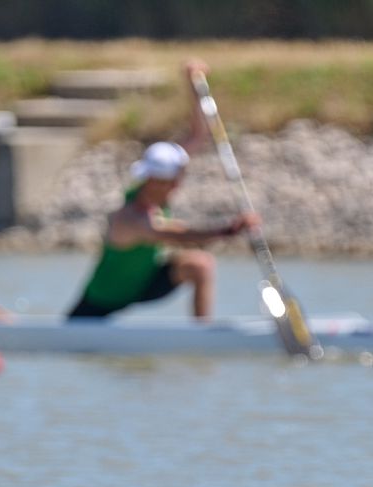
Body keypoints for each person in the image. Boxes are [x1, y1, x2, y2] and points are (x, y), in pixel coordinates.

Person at [66, 61, 258, 321]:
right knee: (76, 322)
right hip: (104, 300)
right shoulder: (130, 217)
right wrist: (229, 229)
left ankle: (202, 335)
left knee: (200, 265)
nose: (180, 183)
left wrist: (193, 84)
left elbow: (198, 134)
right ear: (155, 180)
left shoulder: (155, 177)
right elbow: (176, 234)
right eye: (174, 179)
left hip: (144, 283)